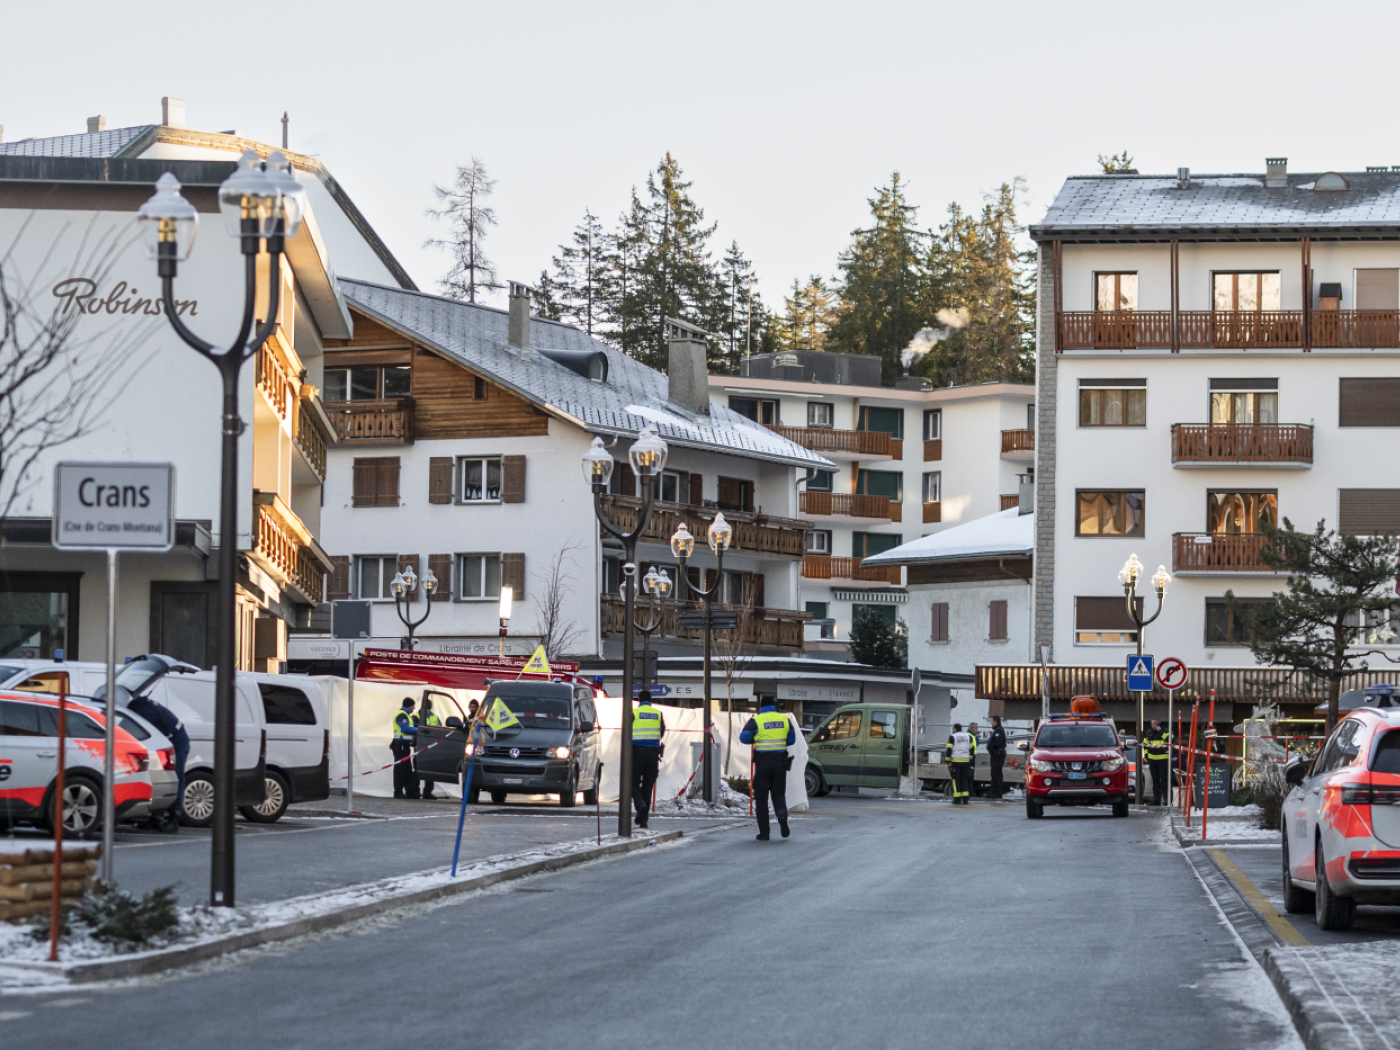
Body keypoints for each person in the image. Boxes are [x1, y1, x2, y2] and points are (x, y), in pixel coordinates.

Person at [125, 691, 190, 820]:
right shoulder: (142, 706)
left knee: (173, 776)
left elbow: (145, 732)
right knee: (165, 776)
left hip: (176, 740)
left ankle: (174, 814)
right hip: (174, 736)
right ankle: (161, 814)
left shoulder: (144, 712)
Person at [740, 702, 796, 841]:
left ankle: (764, 833)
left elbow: (744, 738)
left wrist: (757, 738)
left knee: (761, 798)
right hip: (780, 763)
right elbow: (792, 739)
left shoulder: (756, 720)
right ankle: (782, 817)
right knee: (778, 794)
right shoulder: (784, 719)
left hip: (763, 763)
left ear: (761, 707)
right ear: (774, 707)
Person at [630, 689, 666, 829]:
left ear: (639, 700)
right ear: (650, 701)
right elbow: (661, 731)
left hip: (636, 752)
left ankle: (640, 805)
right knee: (648, 786)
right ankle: (644, 820)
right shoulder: (658, 714)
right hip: (653, 754)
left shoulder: (633, 713)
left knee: (632, 783)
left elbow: (626, 731)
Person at [415, 697, 442, 800]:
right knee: (419, 770)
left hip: (428, 747)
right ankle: (418, 792)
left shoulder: (418, 716)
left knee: (428, 771)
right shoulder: (417, 716)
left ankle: (423, 792)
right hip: (423, 747)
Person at [391, 698, 419, 800]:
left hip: (404, 746)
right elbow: (405, 729)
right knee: (400, 770)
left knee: (407, 770)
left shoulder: (406, 715)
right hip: (400, 746)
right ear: (409, 706)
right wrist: (419, 730)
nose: (414, 708)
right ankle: (398, 792)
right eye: (413, 706)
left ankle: (409, 792)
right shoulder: (402, 715)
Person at [945, 722, 976, 805]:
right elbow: (972, 749)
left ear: (955, 729)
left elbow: (949, 750)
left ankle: (957, 799)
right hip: (966, 761)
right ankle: (965, 799)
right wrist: (970, 761)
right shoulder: (968, 736)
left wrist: (948, 761)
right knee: (964, 780)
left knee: (956, 780)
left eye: (953, 729)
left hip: (956, 761)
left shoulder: (952, 737)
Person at [1144, 719, 1172, 807]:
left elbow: (1170, 740)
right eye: (1152, 724)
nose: (1153, 726)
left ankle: (1166, 800)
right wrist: (1146, 755)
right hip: (1152, 759)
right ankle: (1156, 800)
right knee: (1155, 780)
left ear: (1159, 724)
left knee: (1164, 779)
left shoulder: (1166, 731)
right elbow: (1145, 745)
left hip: (1163, 759)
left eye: (1155, 724)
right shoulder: (1149, 732)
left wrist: (1160, 731)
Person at [987, 715, 1008, 799]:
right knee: (994, 774)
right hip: (995, 755)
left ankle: (997, 793)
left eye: (992, 721)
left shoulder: (999, 731)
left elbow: (997, 743)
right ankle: (993, 792)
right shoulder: (997, 730)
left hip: (997, 755)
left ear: (995, 722)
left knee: (997, 774)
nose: (991, 723)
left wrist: (991, 746)